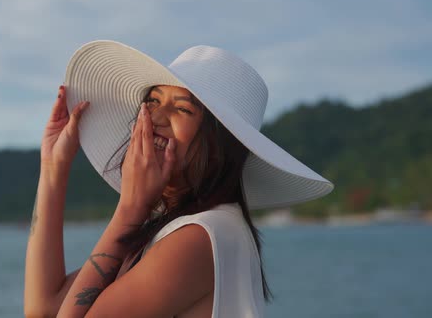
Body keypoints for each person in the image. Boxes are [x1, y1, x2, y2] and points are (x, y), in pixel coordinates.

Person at [24, 41, 334, 318]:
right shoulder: (172, 231)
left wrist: (132, 207)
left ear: (220, 145)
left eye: (183, 109)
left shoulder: (202, 236)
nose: (156, 118)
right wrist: (53, 166)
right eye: (153, 101)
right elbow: (43, 309)